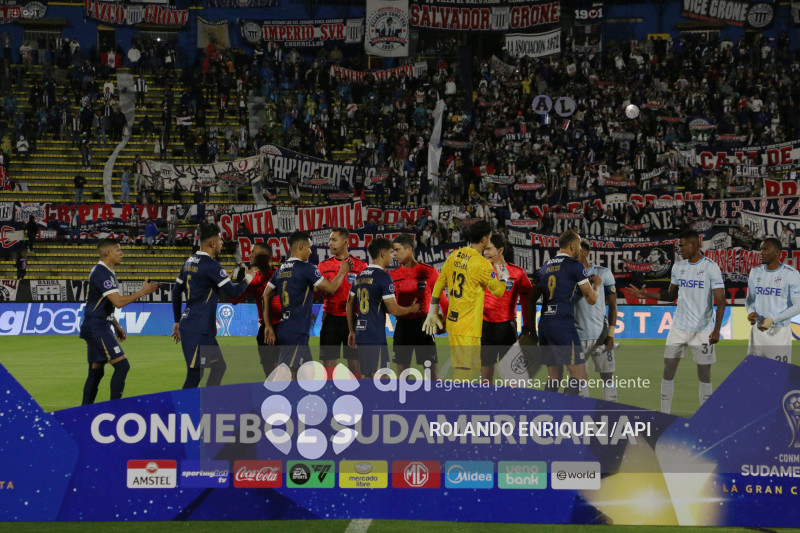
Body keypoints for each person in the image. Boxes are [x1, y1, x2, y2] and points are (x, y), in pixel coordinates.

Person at [629, 230, 726, 413]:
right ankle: (664, 413)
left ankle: (704, 417)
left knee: (704, 373)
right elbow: (670, 295)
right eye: (678, 245)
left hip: (702, 329)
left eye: (682, 245)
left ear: (694, 245)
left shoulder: (710, 267)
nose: (679, 249)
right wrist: (646, 294)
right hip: (678, 327)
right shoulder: (678, 267)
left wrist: (716, 329)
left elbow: (721, 302)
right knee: (668, 369)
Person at [171, 224, 256, 389]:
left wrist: (176, 321)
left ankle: (208, 402)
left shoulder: (189, 262)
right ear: (212, 243)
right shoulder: (211, 265)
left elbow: (176, 291)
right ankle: (182, 411)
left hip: (198, 326)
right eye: (220, 239)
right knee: (195, 374)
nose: (222, 243)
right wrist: (248, 278)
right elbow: (235, 292)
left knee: (219, 367)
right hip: (198, 327)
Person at [424, 220, 509, 380]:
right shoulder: (482, 264)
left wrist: (433, 310)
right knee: (465, 372)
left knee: (466, 368)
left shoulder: (454, 255)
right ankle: (455, 403)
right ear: (484, 239)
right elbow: (498, 291)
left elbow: (439, 284)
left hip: (454, 323)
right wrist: (503, 275)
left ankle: (460, 401)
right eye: (489, 237)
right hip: (468, 327)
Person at [262, 231, 352, 378]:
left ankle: (301, 399)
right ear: (302, 246)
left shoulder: (280, 270)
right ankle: (271, 398)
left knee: (308, 373)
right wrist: (342, 272)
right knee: (287, 373)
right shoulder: (306, 268)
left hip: (287, 327)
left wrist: (267, 325)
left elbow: (265, 295)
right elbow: (331, 288)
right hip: (296, 330)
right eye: (310, 247)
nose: (311, 252)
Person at [79, 238, 159, 404]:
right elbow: (118, 302)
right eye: (118, 250)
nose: (122, 254)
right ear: (107, 252)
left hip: (99, 324)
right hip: (97, 327)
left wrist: (115, 325)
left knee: (96, 372)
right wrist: (142, 292)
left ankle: (84, 410)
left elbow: (104, 303)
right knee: (122, 366)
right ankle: (115, 410)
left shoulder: (105, 271)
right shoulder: (102, 273)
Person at [529, 230, 601, 396]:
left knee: (554, 378)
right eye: (579, 247)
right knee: (580, 375)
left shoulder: (544, 268)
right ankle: (565, 417)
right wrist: (595, 285)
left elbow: (532, 298)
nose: (580, 251)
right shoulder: (575, 266)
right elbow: (592, 299)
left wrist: (532, 330)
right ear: (572, 246)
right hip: (563, 325)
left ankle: (546, 416)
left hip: (545, 325)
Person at [347, 238, 420, 378]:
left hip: (361, 335)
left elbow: (349, 303)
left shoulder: (360, 277)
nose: (392, 256)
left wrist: (352, 330)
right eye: (390, 252)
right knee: (381, 378)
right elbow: (393, 310)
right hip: (375, 336)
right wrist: (411, 309)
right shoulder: (383, 277)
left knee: (367, 377)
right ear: (382, 254)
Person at [390, 233, 446, 380]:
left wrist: (446, 321)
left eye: (397, 250)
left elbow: (443, 300)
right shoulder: (393, 275)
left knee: (432, 376)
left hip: (424, 326)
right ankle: (404, 402)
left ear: (409, 249)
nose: (394, 254)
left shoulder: (429, 272)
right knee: (402, 378)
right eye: (393, 251)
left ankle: (433, 402)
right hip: (402, 326)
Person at [480, 234, 532, 385]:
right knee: (485, 379)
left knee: (513, 379)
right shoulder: (481, 271)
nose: (485, 253)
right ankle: (487, 407)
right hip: (485, 329)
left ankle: (511, 407)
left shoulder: (517, 273)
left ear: (500, 250)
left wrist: (527, 327)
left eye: (488, 249)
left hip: (507, 329)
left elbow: (527, 299)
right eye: (484, 249)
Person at [318, 228, 368, 378]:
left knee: (354, 364)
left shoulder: (361, 266)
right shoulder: (323, 266)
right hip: (330, 320)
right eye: (329, 240)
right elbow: (317, 293)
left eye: (334, 240)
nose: (329, 243)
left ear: (345, 242)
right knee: (328, 364)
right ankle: (330, 397)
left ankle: (358, 397)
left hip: (353, 320)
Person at [229, 243, 283, 377]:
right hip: (265, 331)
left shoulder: (281, 274)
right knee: (270, 374)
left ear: (265, 256)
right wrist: (228, 284)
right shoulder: (254, 279)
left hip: (285, 328)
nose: (249, 254)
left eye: (253, 252)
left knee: (286, 372)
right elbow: (235, 300)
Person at [574, 240, 619, 401]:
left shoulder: (604, 273)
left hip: (601, 335)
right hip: (577, 337)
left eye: (575, 250)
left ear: (584, 253)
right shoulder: (568, 274)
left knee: (607, 376)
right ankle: (583, 418)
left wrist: (611, 335)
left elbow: (613, 305)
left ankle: (611, 413)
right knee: (579, 380)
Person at [746, 237, 800, 364]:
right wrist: (751, 311)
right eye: (761, 249)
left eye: (765, 249)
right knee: (754, 374)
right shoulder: (755, 272)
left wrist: (773, 320)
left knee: (777, 377)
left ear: (777, 252)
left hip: (779, 333)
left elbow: (798, 306)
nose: (761, 252)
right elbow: (750, 300)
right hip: (757, 333)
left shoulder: (791, 274)